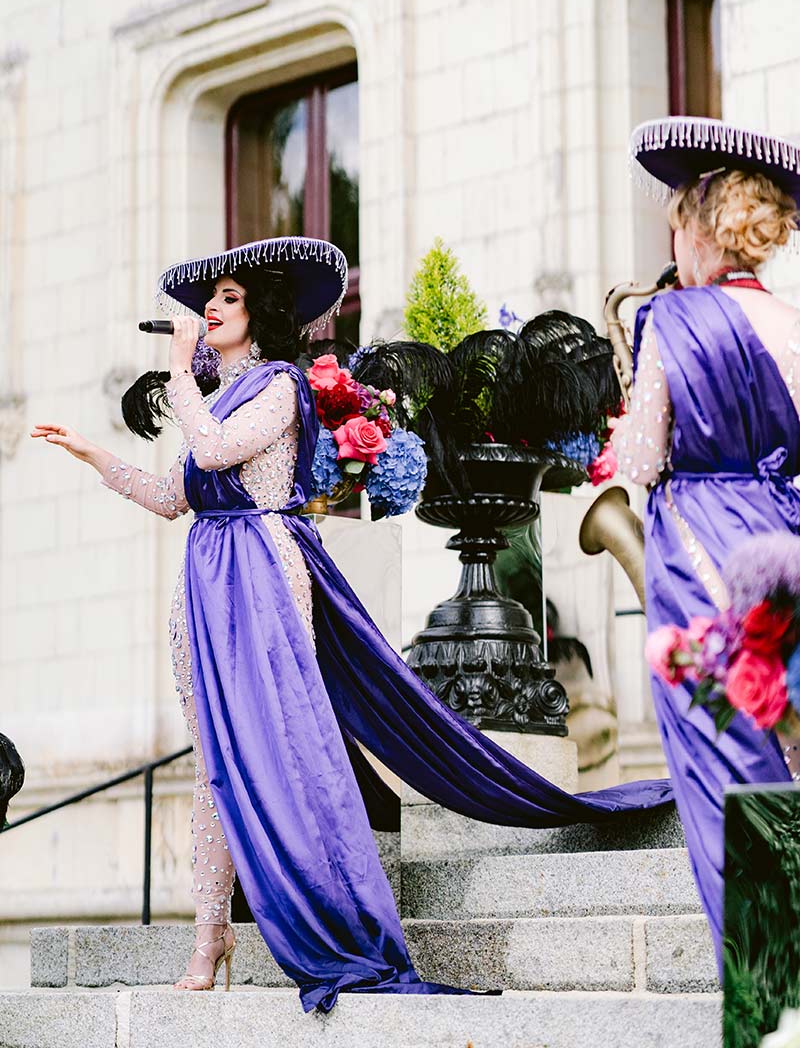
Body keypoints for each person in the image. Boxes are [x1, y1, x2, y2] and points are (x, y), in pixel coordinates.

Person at [33, 236, 672, 1011]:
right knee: (213, 757)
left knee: (278, 746)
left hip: (264, 569)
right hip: (204, 578)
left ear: (261, 315)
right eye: (211, 299)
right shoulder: (218, 391)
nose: (210, 309)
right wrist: (94, 456)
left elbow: (217, 447)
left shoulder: (278, 387)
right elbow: (175, 493)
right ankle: (211, 933)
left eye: (229, 300)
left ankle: (321, 914)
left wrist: (178, 369)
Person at [612, 116, 800, 976]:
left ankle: (774, 1004)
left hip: (702, 559)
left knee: (735, 787)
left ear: (698, 225)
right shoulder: (792, 322)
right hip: (784, 549)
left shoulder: (673, 321)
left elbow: (642, 462)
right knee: (788, 761)